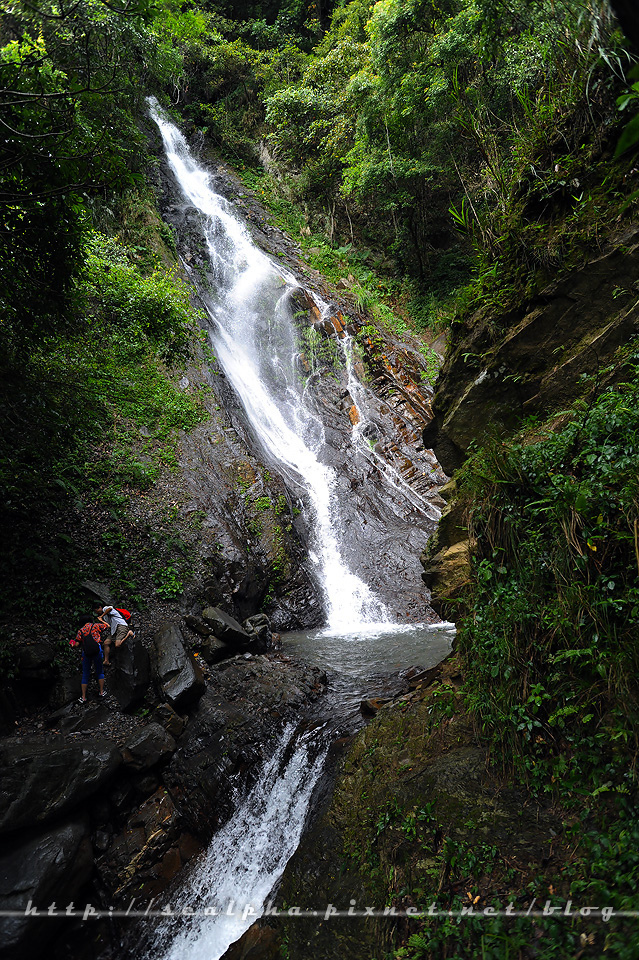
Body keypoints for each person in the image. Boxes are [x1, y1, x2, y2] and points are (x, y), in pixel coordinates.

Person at [70, 618, 109, 703]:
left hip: (86, 652)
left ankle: (83, 697)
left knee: (85, 674)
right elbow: (107, 626)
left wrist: (72, 642)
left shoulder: (81, 631)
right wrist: (101, 620)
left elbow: (76, 644)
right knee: (99, 671)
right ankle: (101, 692)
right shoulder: (95, 626)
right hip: (97, 650)